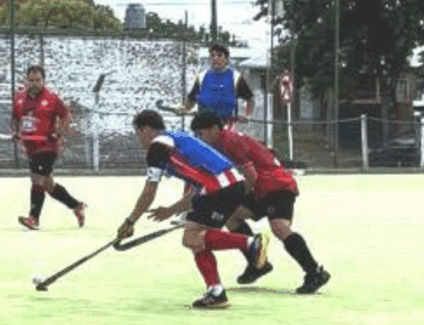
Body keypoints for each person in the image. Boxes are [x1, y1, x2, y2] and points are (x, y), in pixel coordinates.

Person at [117, 109, 269, 309]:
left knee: (190, 237)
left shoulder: (158, 146)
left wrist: (130, 221)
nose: (139, 140)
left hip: (221, 187)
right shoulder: (177, 137)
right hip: (225, 185)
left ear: (144, 129)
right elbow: (197, 186)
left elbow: (149, 191)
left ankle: (250, 243)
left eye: (137, 134)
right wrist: (171, 210)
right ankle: (216, 291)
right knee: (197, 241)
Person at [190, 111, 330, 293]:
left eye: (201, 134)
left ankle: (314, 272)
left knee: (280, 228)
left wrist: (235, 197)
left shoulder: (230, 141)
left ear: (214, 129)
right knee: (232, 217)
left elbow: (251, 173)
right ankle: (258, 263)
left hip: (276, 185)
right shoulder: (222, 141)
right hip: (260, 187)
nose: (200, 139)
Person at [12, 64, 86, 231]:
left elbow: (66, 116)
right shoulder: (19, 98)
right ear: (26, 81)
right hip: (31, 148)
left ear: (43, 81)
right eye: (31, 80)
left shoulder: (52, 98)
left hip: (48, 147)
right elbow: (17, 118)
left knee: (36, 179)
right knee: (49, 185)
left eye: (38, 80)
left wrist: (58, 133)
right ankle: (76, 206)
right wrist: (17, 133)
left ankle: (34, 218)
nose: (34, 83)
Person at [176, 43, 255, 125]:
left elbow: (250, 99)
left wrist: (247, 115)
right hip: (204, 125)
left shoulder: (236, 77)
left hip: (227, 126)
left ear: (226, 58)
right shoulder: (202, 76)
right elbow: (192, 99)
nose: (215, 58)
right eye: (212, 55)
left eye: (219, 55)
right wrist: (185, 108)